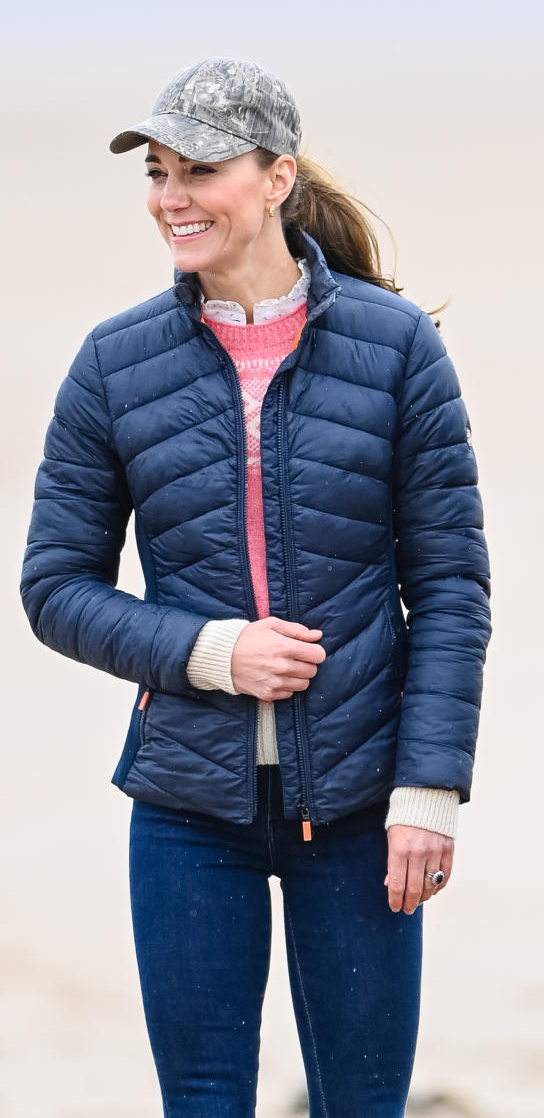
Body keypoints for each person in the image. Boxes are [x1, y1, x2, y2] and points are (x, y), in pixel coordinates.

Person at [22, 57, 491, 1117]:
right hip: (188, 809)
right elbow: (53, 586)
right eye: (157, 171)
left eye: (201, 169)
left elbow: (453, 587)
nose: (171, 198)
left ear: (277, 177)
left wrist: (430, 791)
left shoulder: (396, 348)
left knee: (362, 1105)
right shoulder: (113, 363)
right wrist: (209, 653)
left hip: (368, 806)